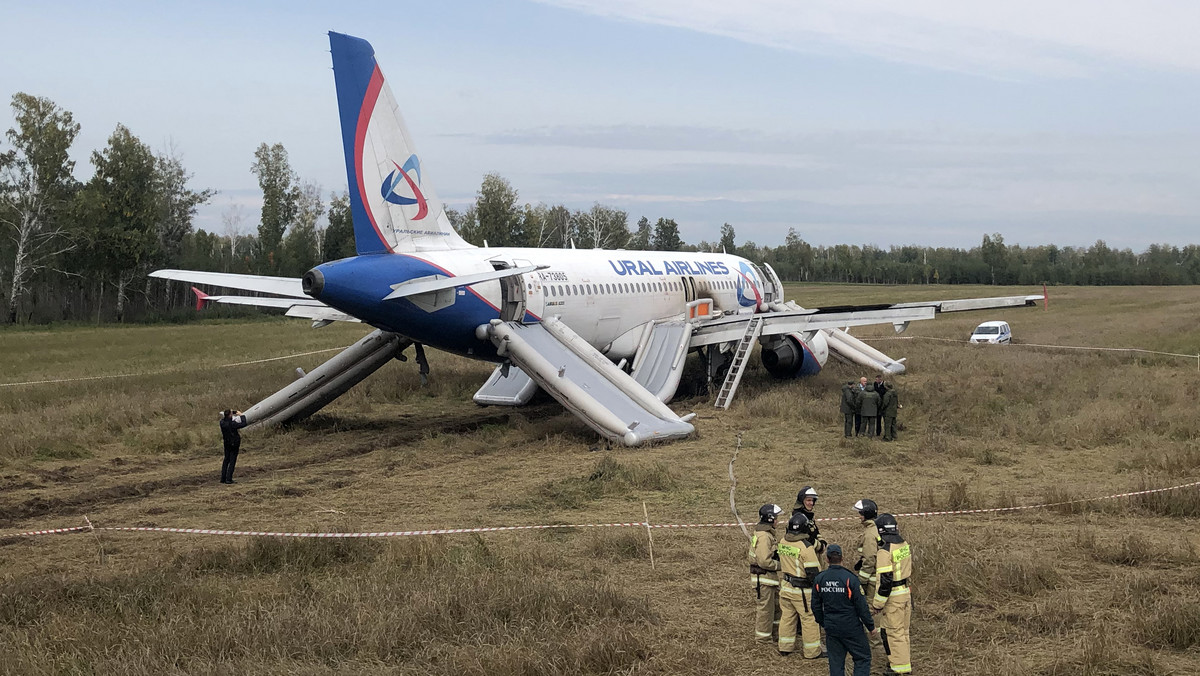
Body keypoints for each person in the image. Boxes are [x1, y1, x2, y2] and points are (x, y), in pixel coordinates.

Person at [813, 544, 874, 676]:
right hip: (851, 627)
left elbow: (815, 606)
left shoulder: (820, 579)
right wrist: (871, 626)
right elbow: (861, 606)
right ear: (842, 558)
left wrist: (823, 622)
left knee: (835, 662)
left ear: (827, 559)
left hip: (832, 628)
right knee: (862, 658)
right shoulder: (850, 579)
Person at [776, 513, 824, 658]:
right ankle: (812, 652)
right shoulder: (806, 548)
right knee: (809, 619)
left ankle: (785, 647)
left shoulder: (783, 541)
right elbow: (814, 573)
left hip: (785, 587)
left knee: (787, 617)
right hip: (802, 592)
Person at [872, 514, 913, 675]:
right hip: (905, 593)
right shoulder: (903, 545)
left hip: (893, 598)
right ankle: (903, 663)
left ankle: (899, 669)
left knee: (893, 633)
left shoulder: (885, 552)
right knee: (903, 632)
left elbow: (885, 581)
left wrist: (877, 604)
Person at [748, 504, 782, 644]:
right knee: (766, 610)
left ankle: (774, 634)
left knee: (775, 609)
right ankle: (762, 639)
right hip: (764, 579)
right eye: (776, 518)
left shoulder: (764, 534)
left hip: (768, 580)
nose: (777, 521)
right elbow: (764, 561)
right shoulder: (764, 536)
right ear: (770, 518)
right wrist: (780, 565)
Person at [852, 499, 882, 603]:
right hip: (877, 578)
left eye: (860, 513)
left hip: (872, 581)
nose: (859, 516)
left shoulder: (869, 534)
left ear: (866, 514)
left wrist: (861, 580)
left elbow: (870, 559)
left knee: (871, 608)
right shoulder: (877, 528)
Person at [792, 486, 827, 564]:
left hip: (813, 554)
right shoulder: (798, 518)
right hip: (805, 559)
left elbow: (815, 530)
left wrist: (822, 540)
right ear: (801, 501)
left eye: (812, 500)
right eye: (808, 500)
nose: (811, 503)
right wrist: (820, 546)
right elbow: (804, 539)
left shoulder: (808, 516)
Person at [219, 409, 248, 484]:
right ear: (230, 415)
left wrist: (232, 413)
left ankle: (223, 478)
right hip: (234, 443)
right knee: (232, 461)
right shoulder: (232, 424)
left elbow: (226, 419)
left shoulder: (222, 423)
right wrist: (241, 415)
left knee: (226, 460)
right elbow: (244, 423)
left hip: (226, 443)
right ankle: (229, 479)